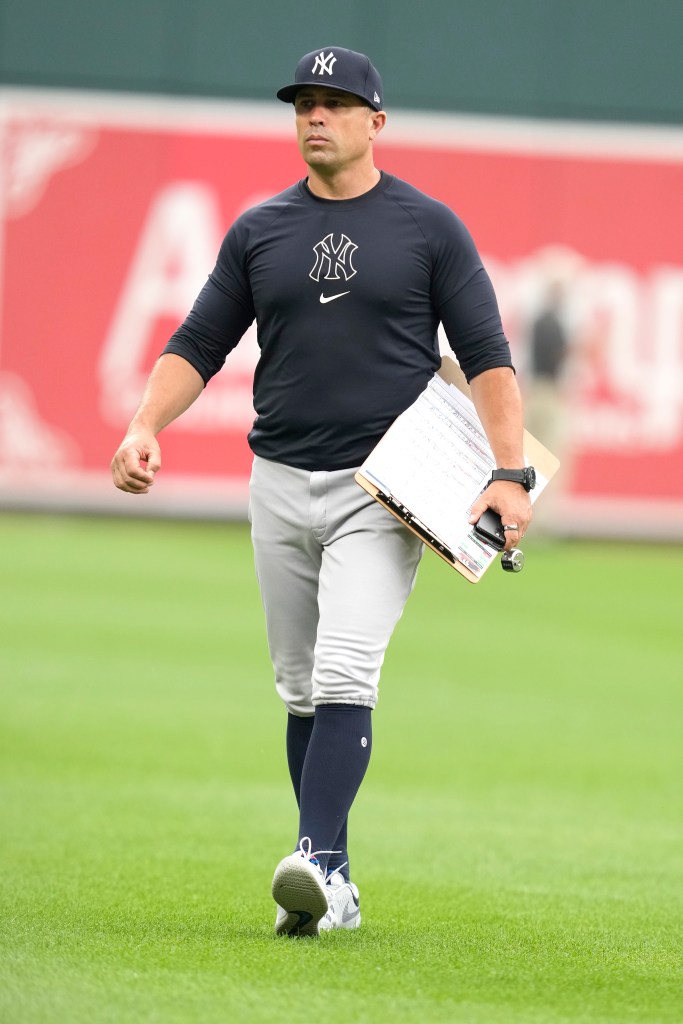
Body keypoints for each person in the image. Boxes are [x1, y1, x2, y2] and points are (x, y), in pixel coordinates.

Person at [111, 45, 532, 937]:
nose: (315, 115)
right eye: (303, 102)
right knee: (300, 687)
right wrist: (145, 425)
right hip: (277, 481)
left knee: (346, 671)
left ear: (375, 123)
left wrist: (508, 472)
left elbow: (488, 356)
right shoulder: (260, 229)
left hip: (379, 490)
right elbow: (199, 341)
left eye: (335, 104)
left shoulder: (428, 227)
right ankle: (331, 879)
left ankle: (313, 859)